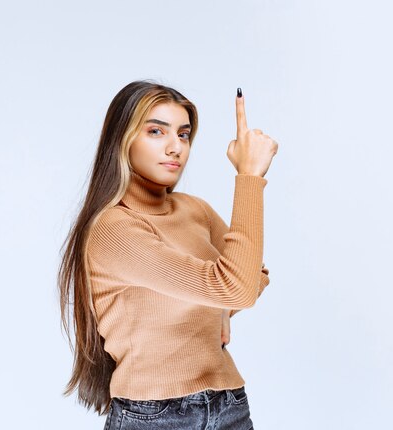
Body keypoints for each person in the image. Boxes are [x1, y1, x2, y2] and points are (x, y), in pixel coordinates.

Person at [58, 80, 278, 429]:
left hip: (229, 403)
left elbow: (251, 276)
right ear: (122, 138)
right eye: (156, 131)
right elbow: (235, 284)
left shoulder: (194, 210)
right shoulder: (115, 228)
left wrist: (222, 306)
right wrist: (249, 176)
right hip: (154, 416)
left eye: (184, 134)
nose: (175, 147)